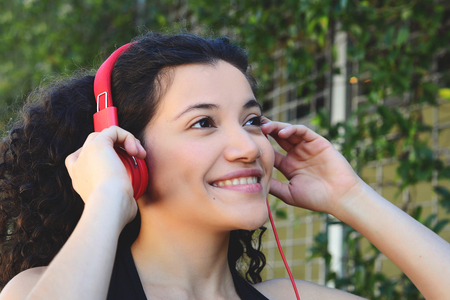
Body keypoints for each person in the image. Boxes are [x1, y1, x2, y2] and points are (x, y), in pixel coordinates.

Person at [0, 32, 449, 300]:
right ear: (125, 153)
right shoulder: (37, 289)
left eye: (252, 120)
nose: (248, 147)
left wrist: (352, 198)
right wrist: (106, 198)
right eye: (203, 122)